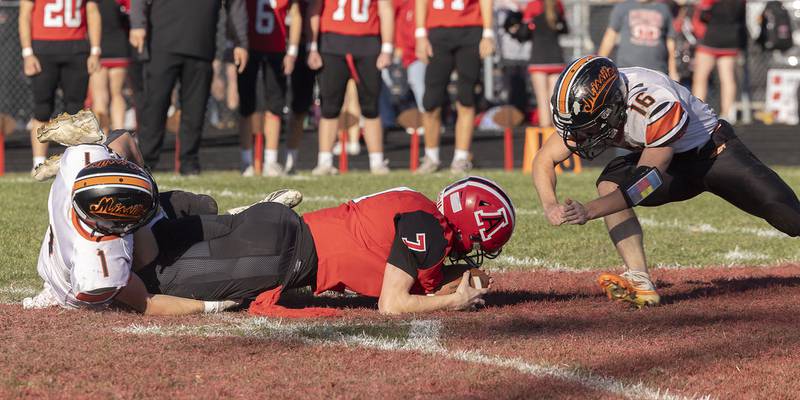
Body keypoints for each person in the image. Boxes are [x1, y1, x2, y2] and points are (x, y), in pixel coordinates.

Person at [532, 56, 800, 308]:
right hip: (672, 166)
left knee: (789, 216)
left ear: (612, 108)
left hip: (715, 155)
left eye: (588, 127)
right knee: (609, 182)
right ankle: (640, 279)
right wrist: (549, 204)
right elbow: (544, 159)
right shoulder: (596, 101)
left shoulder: (657, 103)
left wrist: (589, 210)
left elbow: (646, 182)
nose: (581, 135)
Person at [24, 110, 304, 314]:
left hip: (111, 223)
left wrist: (140, 177)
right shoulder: (98, 266)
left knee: (202, 204)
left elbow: (125, 139)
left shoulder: (83, 162)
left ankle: (233, 218)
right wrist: (212, 305)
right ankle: (242, 219)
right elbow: (147, 302)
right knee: (167, 255)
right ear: (117, 226)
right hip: (124, 265)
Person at [139, 175, 516, 315]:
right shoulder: (431, 230)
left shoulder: (415, 201)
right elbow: (392, 304)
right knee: (152, 280)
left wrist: (454, 275)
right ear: (472, 224)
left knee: (152, 234)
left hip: (276, 224)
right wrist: (456, 300)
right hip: (276, 259)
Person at [129, 0, 248, 175]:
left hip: (201, 46)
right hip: (162, 45)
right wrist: (137, 24)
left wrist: (241, 42)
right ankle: (146, 162)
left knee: (195, 110)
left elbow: (236, 5)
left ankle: (189, 162)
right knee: (155, 106)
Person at [307, 0, 395, 175]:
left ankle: (376, 161)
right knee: (330, 106)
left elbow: (386, 9)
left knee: (371, 106)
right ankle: (324, 161)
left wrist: (387, 48)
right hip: (332, 42)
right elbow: (314, 9)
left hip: (367, 42)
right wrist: (312, 46)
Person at [18, 0, 101, 171]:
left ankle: (75, 162)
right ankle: (38, 163)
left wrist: (95, 50)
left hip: (76, 48)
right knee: (42, 108)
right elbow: (24, 15)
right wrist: (27, 52)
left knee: (76, 109)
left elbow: (92, 13)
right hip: (43, 48)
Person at [414, 0, 494, 174]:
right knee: (431, 101)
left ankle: (461, 157)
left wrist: (488, 33)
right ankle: (431, 156)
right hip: (438, 32)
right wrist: (420, 34)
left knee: (466, 97)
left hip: (470, 31)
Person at [237, 0, 302, 177]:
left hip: (276, 48)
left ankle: (271, 160)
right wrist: (234, 43)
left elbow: (295, 14)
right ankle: (246, 161)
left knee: (275, 105)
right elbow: (234, 12)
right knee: (246, 105)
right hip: (248, 47)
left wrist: (292, 51)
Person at [691, 0, 746, 123]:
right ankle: (726, 114)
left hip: (711, 38)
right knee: (727, 78)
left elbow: (702, 16)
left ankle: (697, 114)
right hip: (731, 40)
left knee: (700, 78)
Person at [597, 0, 678, 81]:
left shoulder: (663, 9)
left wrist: (673, 71)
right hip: (627, 74)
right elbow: (610, 37)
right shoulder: (623, 7)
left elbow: (670, 43)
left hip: (658, 74)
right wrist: (598, 65)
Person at [522, 0, 568, 128]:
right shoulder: (557, 4)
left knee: (542, 99)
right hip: (556, 57)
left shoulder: (532, 6)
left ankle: (545, 132)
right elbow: (565, 29)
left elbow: (523, 33)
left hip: (539, 58)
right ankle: (557, 131)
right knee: (554, 99)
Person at [90, 0, 132, 132]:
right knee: (117, 94)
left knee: (99, 97)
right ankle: (118, 136)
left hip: (97, 48)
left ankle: (103, 137)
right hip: (118, 45)